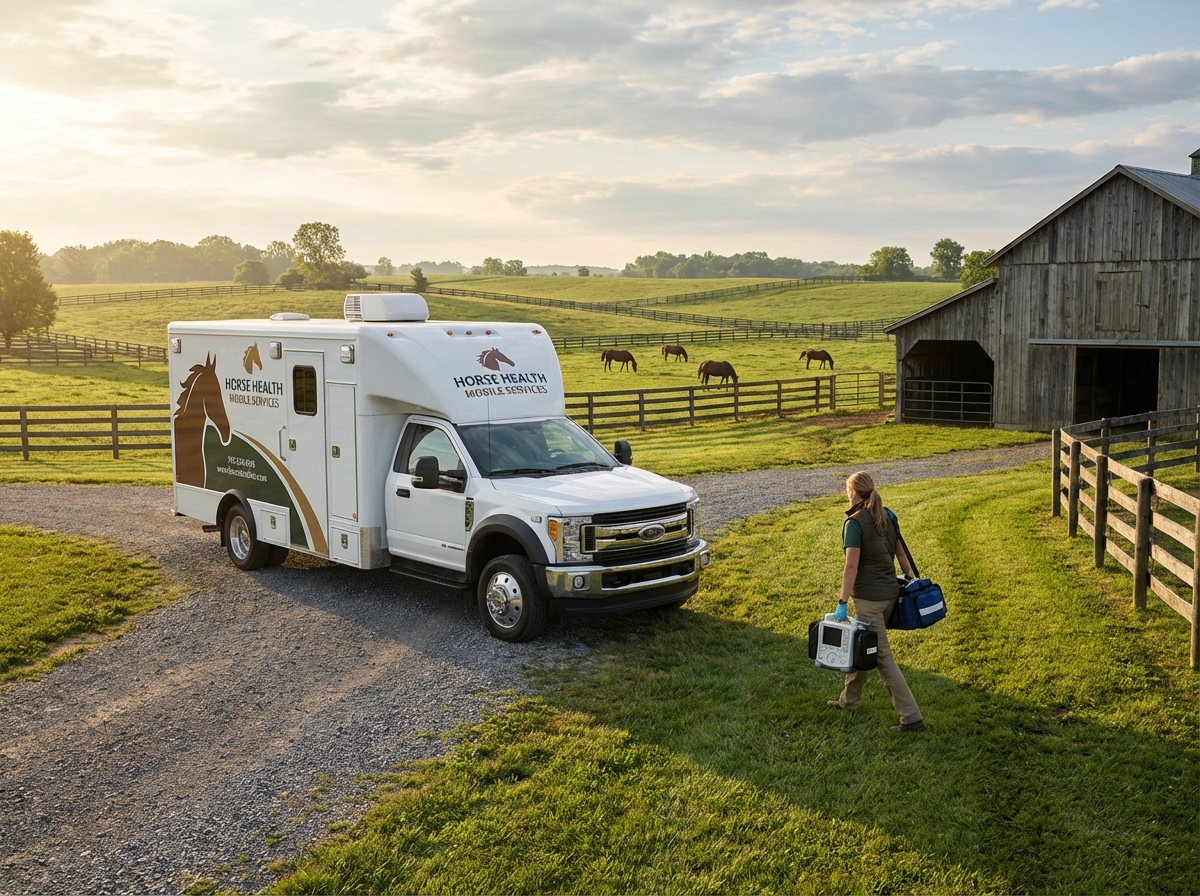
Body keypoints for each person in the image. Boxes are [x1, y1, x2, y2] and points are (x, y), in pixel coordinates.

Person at [827, 471, 926, 732]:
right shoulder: (887, 515)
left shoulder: (855, 523)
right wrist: (912, 581)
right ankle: (849, 701)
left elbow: (851, 567)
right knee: (862, 647)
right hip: (891, 595)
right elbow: (902, 555)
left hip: (869, 600)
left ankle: (911, 718)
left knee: (882, 657)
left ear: (852, 493)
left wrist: (842, 602)